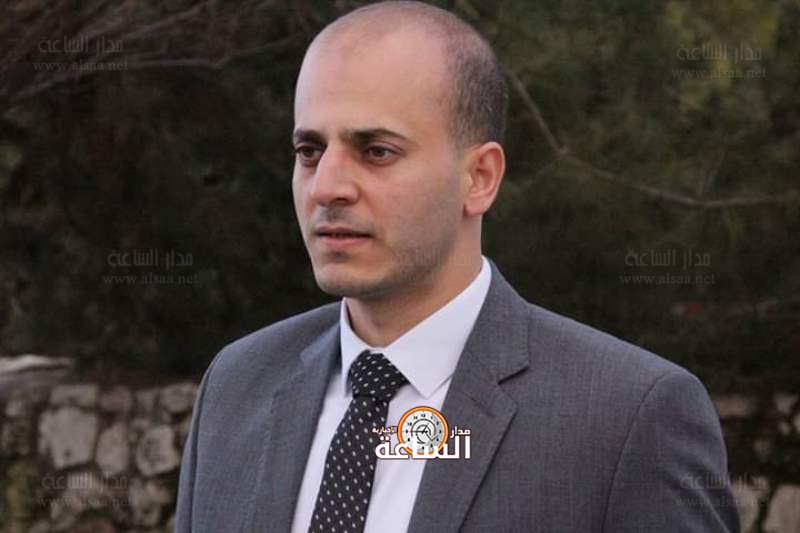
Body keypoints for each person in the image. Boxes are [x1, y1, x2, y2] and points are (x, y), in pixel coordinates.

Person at [174, 2, 739, 532]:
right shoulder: (237, 385)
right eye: (309, 152)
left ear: (480, 178)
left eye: (376, 151)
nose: (326, 187)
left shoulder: (627, 417)